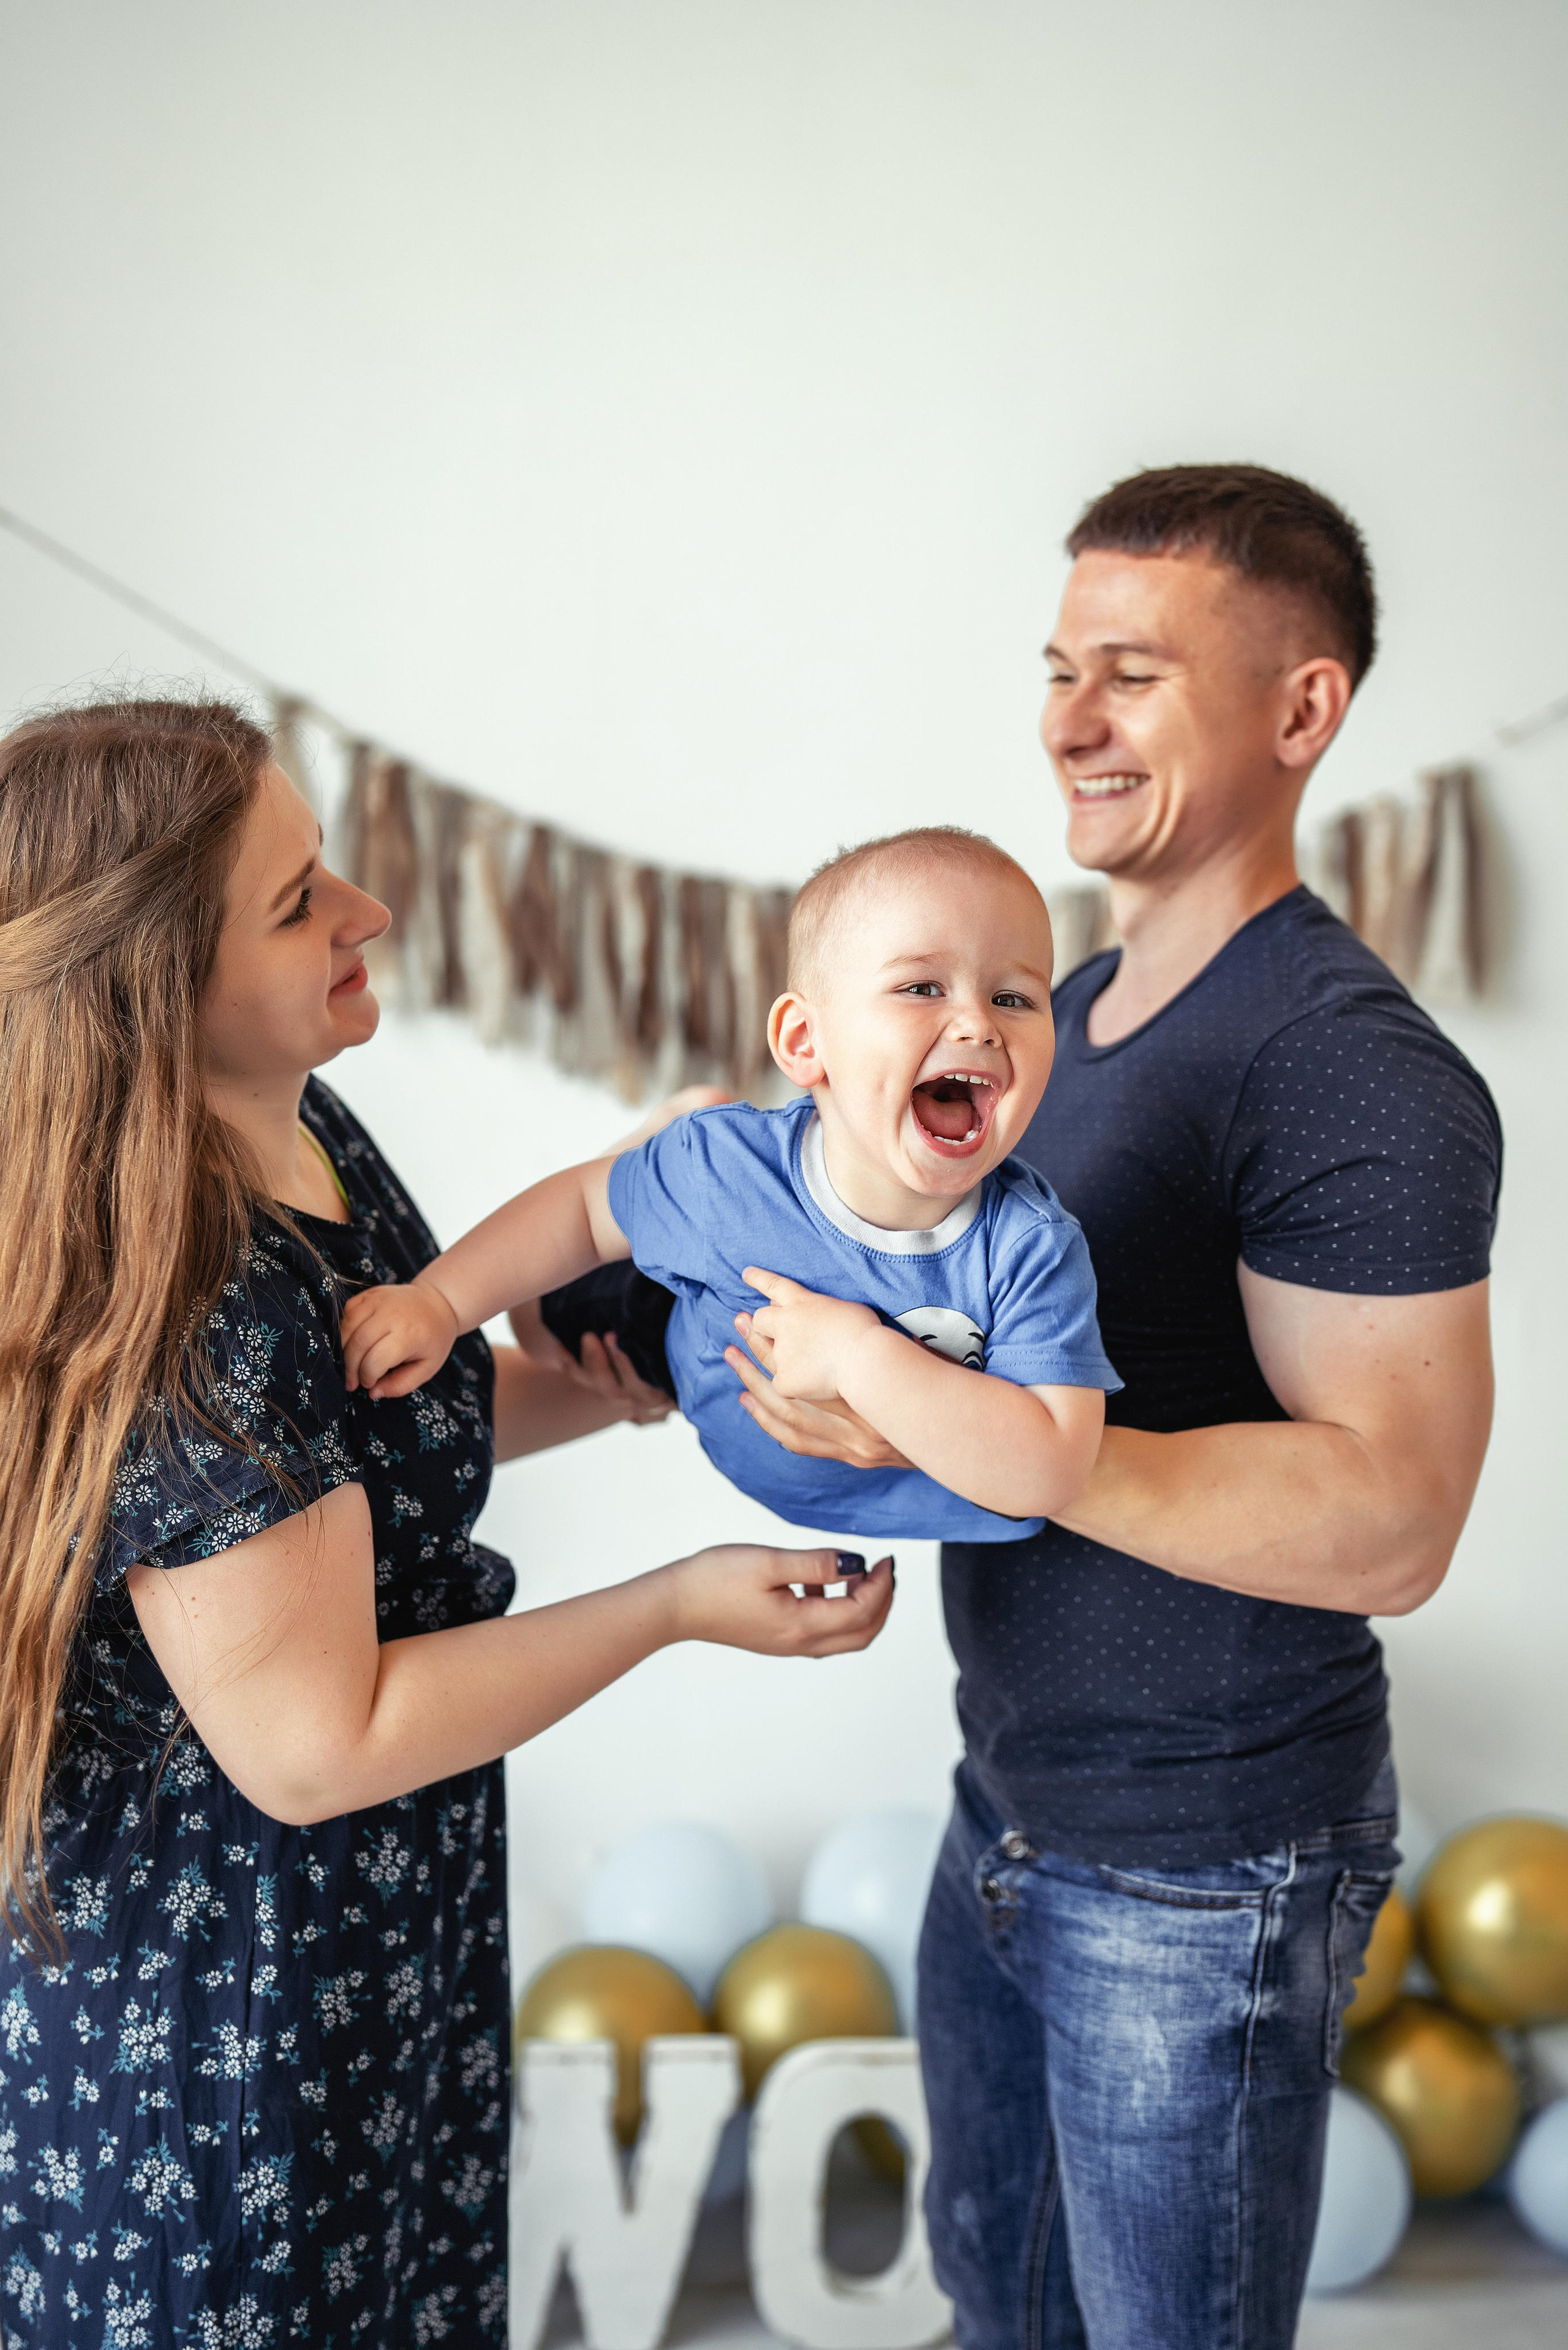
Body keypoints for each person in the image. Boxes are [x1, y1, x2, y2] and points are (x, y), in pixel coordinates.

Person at [0, 699, 893, 2349]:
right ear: (151, 996)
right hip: (225, 2033)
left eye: (325, 862)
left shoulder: (306, 1133)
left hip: (376, 1950)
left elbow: (392, 1419)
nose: (368, 912)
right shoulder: (195, 1295)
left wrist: (648, 1369)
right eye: (298, 903)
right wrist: (679, 1599)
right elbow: (318, 1740)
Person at [730, 466, 1502, 2349]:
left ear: (1301, 711)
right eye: (1060, 666)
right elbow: (966, 1340)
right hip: (1010, 1796)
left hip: (1202, 1858)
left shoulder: (1341, 1068)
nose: (1069, 720)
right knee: (1002, 2309)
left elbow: (1392, 1524)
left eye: (1134, 675)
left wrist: (935, 1413)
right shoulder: (1052, 1014)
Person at [337, 829, 1120, 1541]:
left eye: (1013, 998)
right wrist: (438, 1303)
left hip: (862, 1471)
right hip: (683, 1344)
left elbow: (1050, 1470)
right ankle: (667, 1137)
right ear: (804, 1041)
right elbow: (578, 1209)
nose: (979, 1025)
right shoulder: (729, 1173)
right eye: (922, 988)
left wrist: (859, 1358)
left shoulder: (1032, 1251)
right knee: (558, 1321)